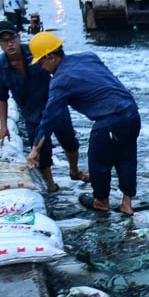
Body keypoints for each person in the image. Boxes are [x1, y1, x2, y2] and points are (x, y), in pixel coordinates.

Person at [28, 32, 139, 215]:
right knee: (127, 157)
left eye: (41, 61)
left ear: (51, 56)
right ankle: (127, 203)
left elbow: (50, 117)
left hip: (110, 121)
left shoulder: (60, 81)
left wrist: (35, 149)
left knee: (99, 162)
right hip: (131, 113)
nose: (41, 67)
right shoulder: (88, 56)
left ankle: (101, 201)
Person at [0, 22, 87, 193]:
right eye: (4, 41)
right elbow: (1, 98)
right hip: (31, 113)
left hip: (54, 104)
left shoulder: (36, 51)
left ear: (18, 37)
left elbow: (59, 66)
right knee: (41, 151)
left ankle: (74, 171)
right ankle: (50, 184)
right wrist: (3, 126)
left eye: (12, 38)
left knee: (69, 141)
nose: (10, 44)